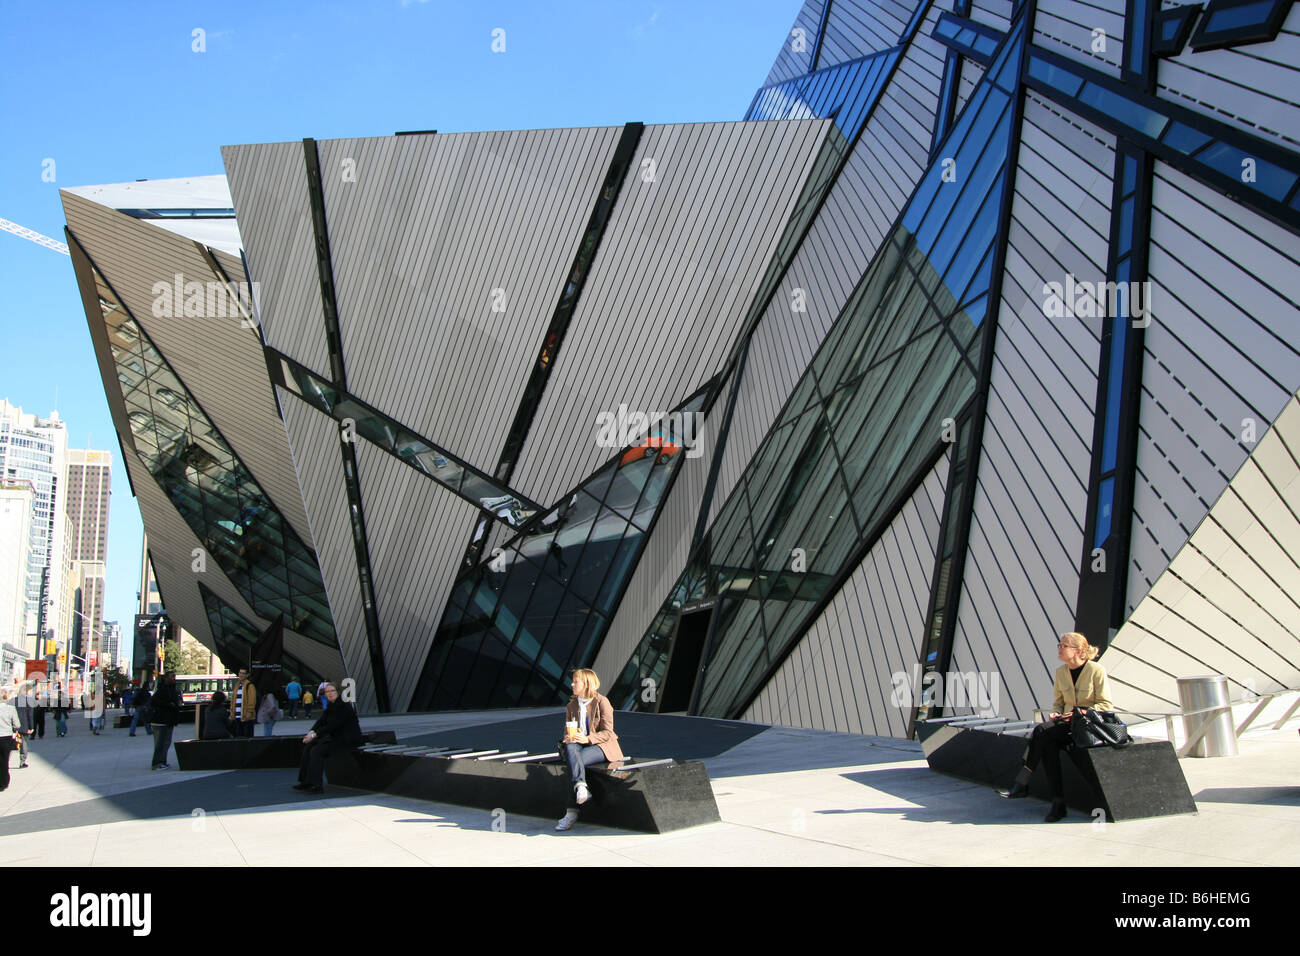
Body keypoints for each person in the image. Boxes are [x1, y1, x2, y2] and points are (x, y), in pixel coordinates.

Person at [999, 631, 1115, 821]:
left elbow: (1106, 704)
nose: (1059, 649)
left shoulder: (1096, 670)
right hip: (1067, 725)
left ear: (1079, 650)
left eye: (1064, 646)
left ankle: (1026, 785)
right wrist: (1056, 713)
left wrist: (1080, 712)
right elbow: (1058, 703)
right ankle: (1054, 802)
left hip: (1088, 726)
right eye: (1059, 645)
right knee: (1047, 743)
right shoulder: (1061, 672)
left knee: (1042, 733)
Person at [554, 668, 624, 832]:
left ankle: (571, 812)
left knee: (575, 762)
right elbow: (567, 730)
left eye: (575, 681)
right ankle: (581, 786)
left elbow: (608, 732)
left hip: (601, 746)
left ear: (586, 683)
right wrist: (569, 737)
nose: (572, 684)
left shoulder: (602, 702)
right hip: (579, 746)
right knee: (571, 747)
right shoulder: (572, 705)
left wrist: (588, 739)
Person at [294, 683, 363, 794]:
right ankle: (306, 781)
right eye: (327, 692)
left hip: (348, 740)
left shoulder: (343, 705)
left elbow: (332, 726)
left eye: (332, 691)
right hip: (336, 737)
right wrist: (310, 732)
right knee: (309, 747)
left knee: (317, 751)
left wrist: (314, 735)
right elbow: (321, 721)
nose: (330, 694)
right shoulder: (331, 705)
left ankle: (317, 785)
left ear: (338, 692)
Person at [149, 673, 182, 770]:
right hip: (161, 720)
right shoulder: (163, 689)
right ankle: (157, 763)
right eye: (172, 677)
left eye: (174, 677)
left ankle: (162, 761)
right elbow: (154, 701)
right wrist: (168, 704)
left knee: (166, 742)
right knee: (160, 743)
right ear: (166, 678)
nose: (174, 678)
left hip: (168, 720)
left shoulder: (171, 689)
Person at [0, 687, 22, 791]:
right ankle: (4, 782)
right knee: (5, 760)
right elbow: (17, 724)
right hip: (6, 737)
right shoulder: (10, 708)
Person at [230, 669, 257, 738]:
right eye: (240, 673)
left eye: (243, 673)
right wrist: (232, 712)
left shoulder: (250, 685)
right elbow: (233, 700)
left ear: (247, 675)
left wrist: (249, 712)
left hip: (246, 716)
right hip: (237, 716)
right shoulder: (237, 685)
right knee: (238, 736)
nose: (241, 675)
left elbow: (252, 699)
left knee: (247, 736)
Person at [14, 684, 33, 768]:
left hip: (14, 725)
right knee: (24, 744)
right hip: (24, 726)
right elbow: (30, 715)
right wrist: (31, 727)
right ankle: (22, 761)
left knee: (15, 743)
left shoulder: (13, 701)